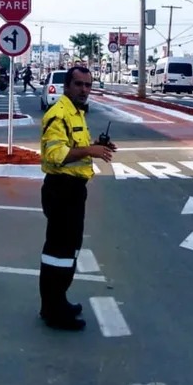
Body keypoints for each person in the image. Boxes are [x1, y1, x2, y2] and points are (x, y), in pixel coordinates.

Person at [37, 66, 115, 331]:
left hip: (73, 190)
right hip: (61, 190)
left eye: (88, 85)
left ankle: (58, 300)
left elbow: (74, 147)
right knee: (58, 251)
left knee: (67, 248)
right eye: (79, 84)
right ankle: (52, 309)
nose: (84, 89)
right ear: (67, 86)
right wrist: (90, 150)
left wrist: (96, 146)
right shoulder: (58, 114)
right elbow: (56, 155)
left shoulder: (75, 112)